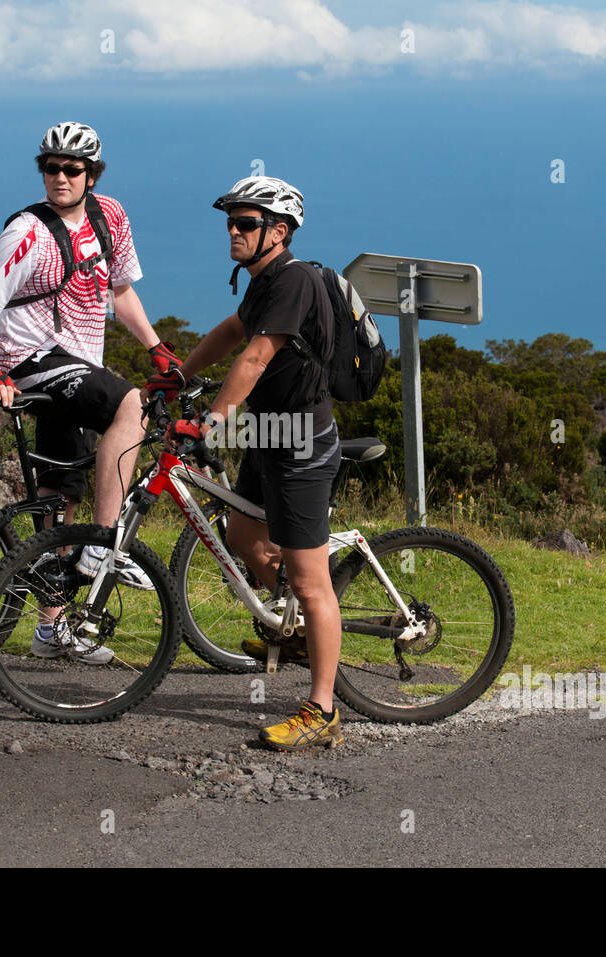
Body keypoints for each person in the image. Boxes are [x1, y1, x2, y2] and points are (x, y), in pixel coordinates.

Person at [144, 175, 344, 751]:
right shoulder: (263, 281)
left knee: (311, 582)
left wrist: (208, 422)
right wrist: (180, 375)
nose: (233, 230)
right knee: (242, 531)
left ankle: (322, 708)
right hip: (269, 435)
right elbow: (232, 332)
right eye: (231, 221)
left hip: (302, 442)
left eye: (246, 223)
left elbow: (256, 357)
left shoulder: (296, 281)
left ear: (277, 233)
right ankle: (300, 630)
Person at [0, 121, 180, 664]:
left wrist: (157, 346)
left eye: (72, 169)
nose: (59, 177)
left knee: (59, 497)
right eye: (50, 167)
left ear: (92, 174)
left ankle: (49, 629)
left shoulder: (111, 216)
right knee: (131, 403)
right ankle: (103, 542)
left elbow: (122, 292)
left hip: (79, 367)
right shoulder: (26, 233)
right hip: (35, 363)